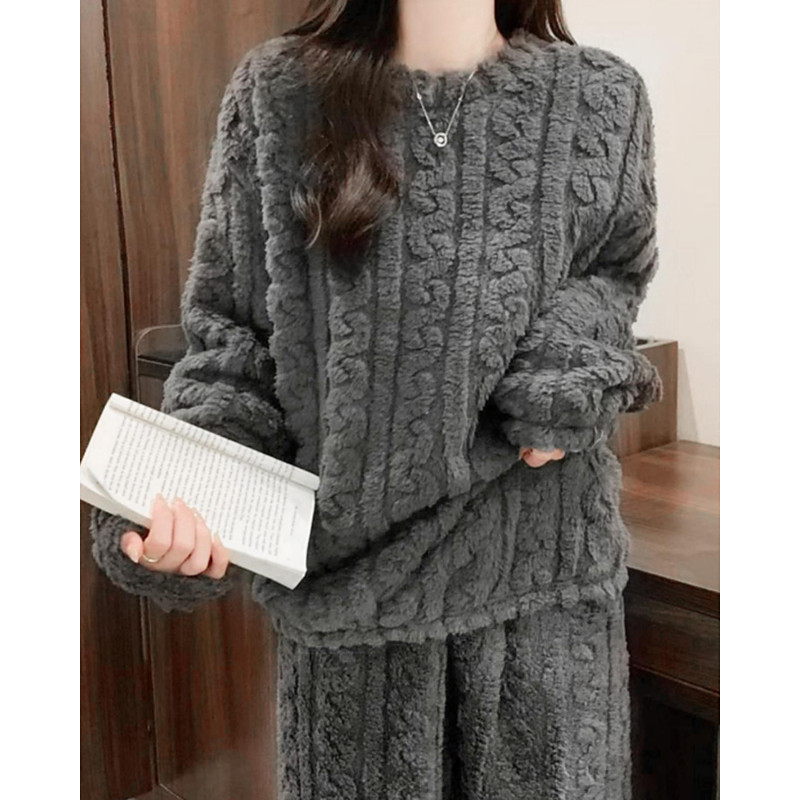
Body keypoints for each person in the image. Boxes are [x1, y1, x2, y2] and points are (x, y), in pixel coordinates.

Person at [89, 0, 663, 797]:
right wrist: (184, 505)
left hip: (542, 583)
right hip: (350, 614)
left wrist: (564, 371)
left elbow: (614, 273)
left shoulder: (604, 95)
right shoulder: (278, 91)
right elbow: (234, 343)